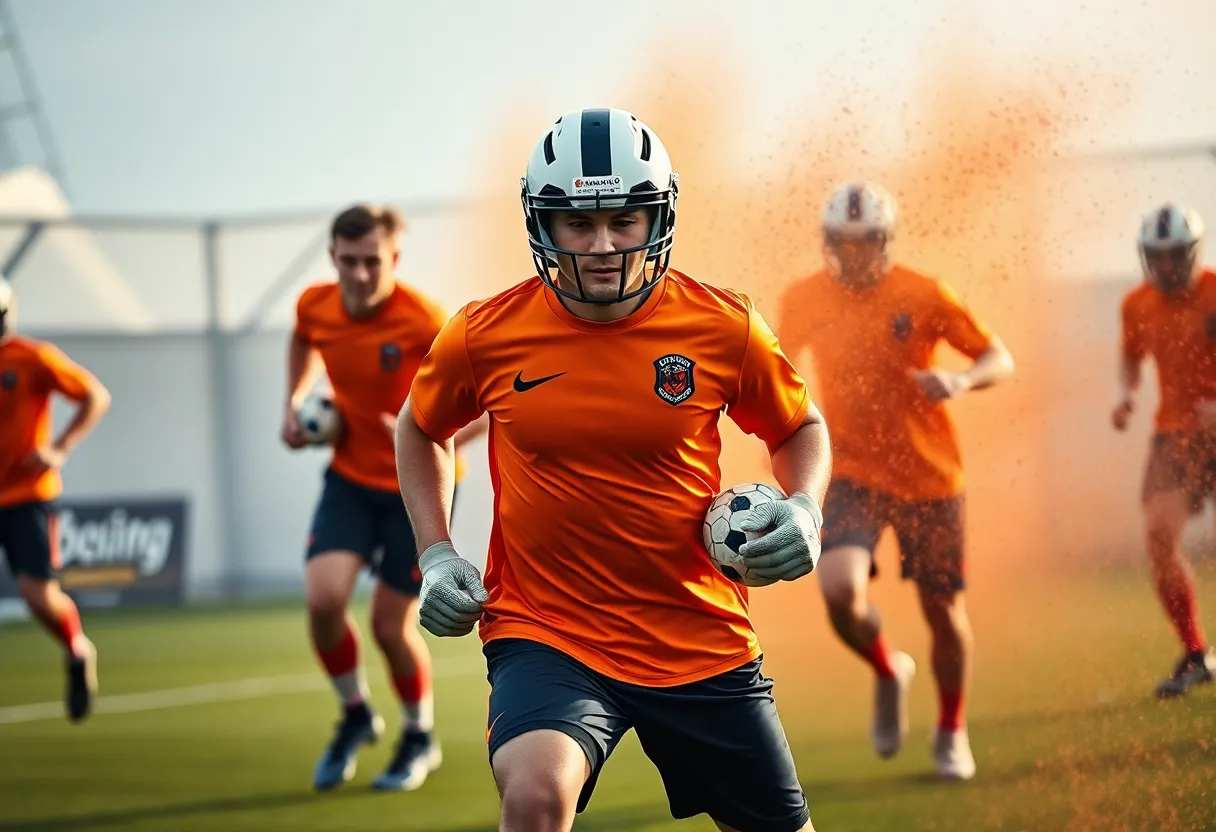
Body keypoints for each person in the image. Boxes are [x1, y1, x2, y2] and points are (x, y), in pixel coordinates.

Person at [395, 107, 830, 832]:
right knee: (534, 798)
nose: (602, 245)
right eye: (578, 223)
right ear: (542, 224)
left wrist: (807, 510)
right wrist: (436, 554)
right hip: (548, 632)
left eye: (625, 220)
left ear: (658, 216)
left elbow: (799, 427)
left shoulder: (725, 325)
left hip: (698, 635)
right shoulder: (484, 333)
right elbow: (419, 428)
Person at [777, 181, 1015, 781]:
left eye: (866, 243)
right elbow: (775, 369)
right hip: (852, 468)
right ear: (829, 244)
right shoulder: (804, 297)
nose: (854, 254)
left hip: (929, 476)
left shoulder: (924, 292)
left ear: (885, 241)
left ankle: (952, 729)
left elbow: (997, 357)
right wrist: (781, 434)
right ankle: (888, 669)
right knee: (837, 589)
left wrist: (961, 382)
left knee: (942, 610)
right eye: (843, 243)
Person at [281, 204, 486, 792]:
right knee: (322, 603)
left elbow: (482, 407)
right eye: (349, 263)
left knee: (389, 625)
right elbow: (302, 341)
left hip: (415, 489)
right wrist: (293, 404)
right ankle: (354, 716)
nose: (361, 275)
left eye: (373, 262)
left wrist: (415, 433)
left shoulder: (425, 320)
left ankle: (419, 735)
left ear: (394, 258)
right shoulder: (314, 305)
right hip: (348, 479)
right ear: (333, 259)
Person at [1112, 201, 1216, 699]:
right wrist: (1127, 395)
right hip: (1174, 433)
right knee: (1158, 534)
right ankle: (1196, 653)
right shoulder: (1136, 303)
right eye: (1159, 256)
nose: (1168, 265)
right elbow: (1131, 359)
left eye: (1176, 255)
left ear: (1192, 254)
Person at [0, 274, 111, 722]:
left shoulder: (31, 358)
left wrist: (60, 448)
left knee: (38, 594)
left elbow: (93, 396)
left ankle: (77, 649)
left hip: (26, 495)